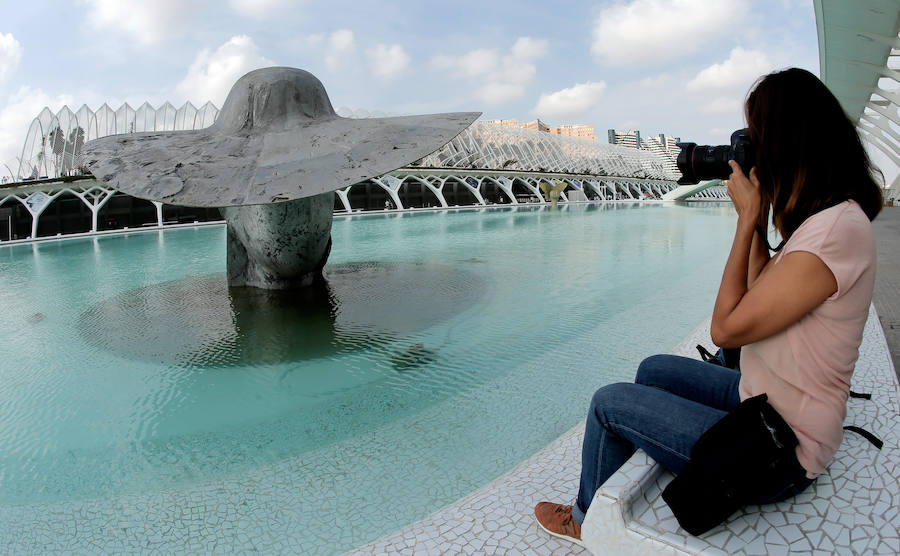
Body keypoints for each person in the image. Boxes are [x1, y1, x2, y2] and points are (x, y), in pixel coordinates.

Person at [534, 67, 883, 546]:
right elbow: (760, 289)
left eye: (758, 135)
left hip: (780, 446)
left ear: (787, 142)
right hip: (762, 401)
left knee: (607, 404)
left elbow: (727, 329)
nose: (749, 148)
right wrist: (759, 222)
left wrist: (745, 222)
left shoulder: (833, 232)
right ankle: (659, 442)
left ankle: (583, 518)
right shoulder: (827, 221)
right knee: (654, 369)